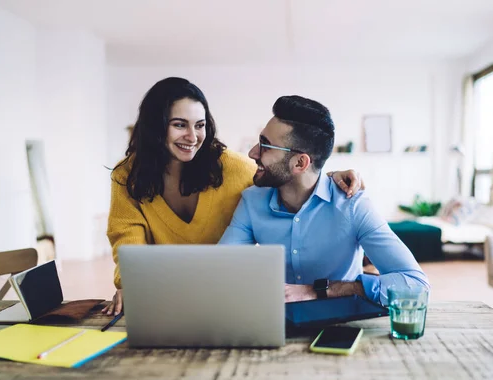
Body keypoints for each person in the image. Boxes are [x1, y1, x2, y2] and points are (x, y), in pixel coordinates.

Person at [103, 78, 364, 316]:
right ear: (156, 129)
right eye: (179, 125)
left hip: (222, 295)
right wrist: (130, 284)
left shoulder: (233, 169)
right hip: (163, 294)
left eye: (200, 125)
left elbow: (285, 173)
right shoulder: (128, 176)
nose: (193, 137)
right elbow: (127, 238)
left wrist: (329, 178)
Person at [219, 95, 429, 305]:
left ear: (300, 163)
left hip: (343, 325)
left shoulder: (352, 205)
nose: (252, 153)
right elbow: (219, 270)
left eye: (265, 145)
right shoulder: (252, 201)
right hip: (277, 326)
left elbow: (415, 284)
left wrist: (320, 290)